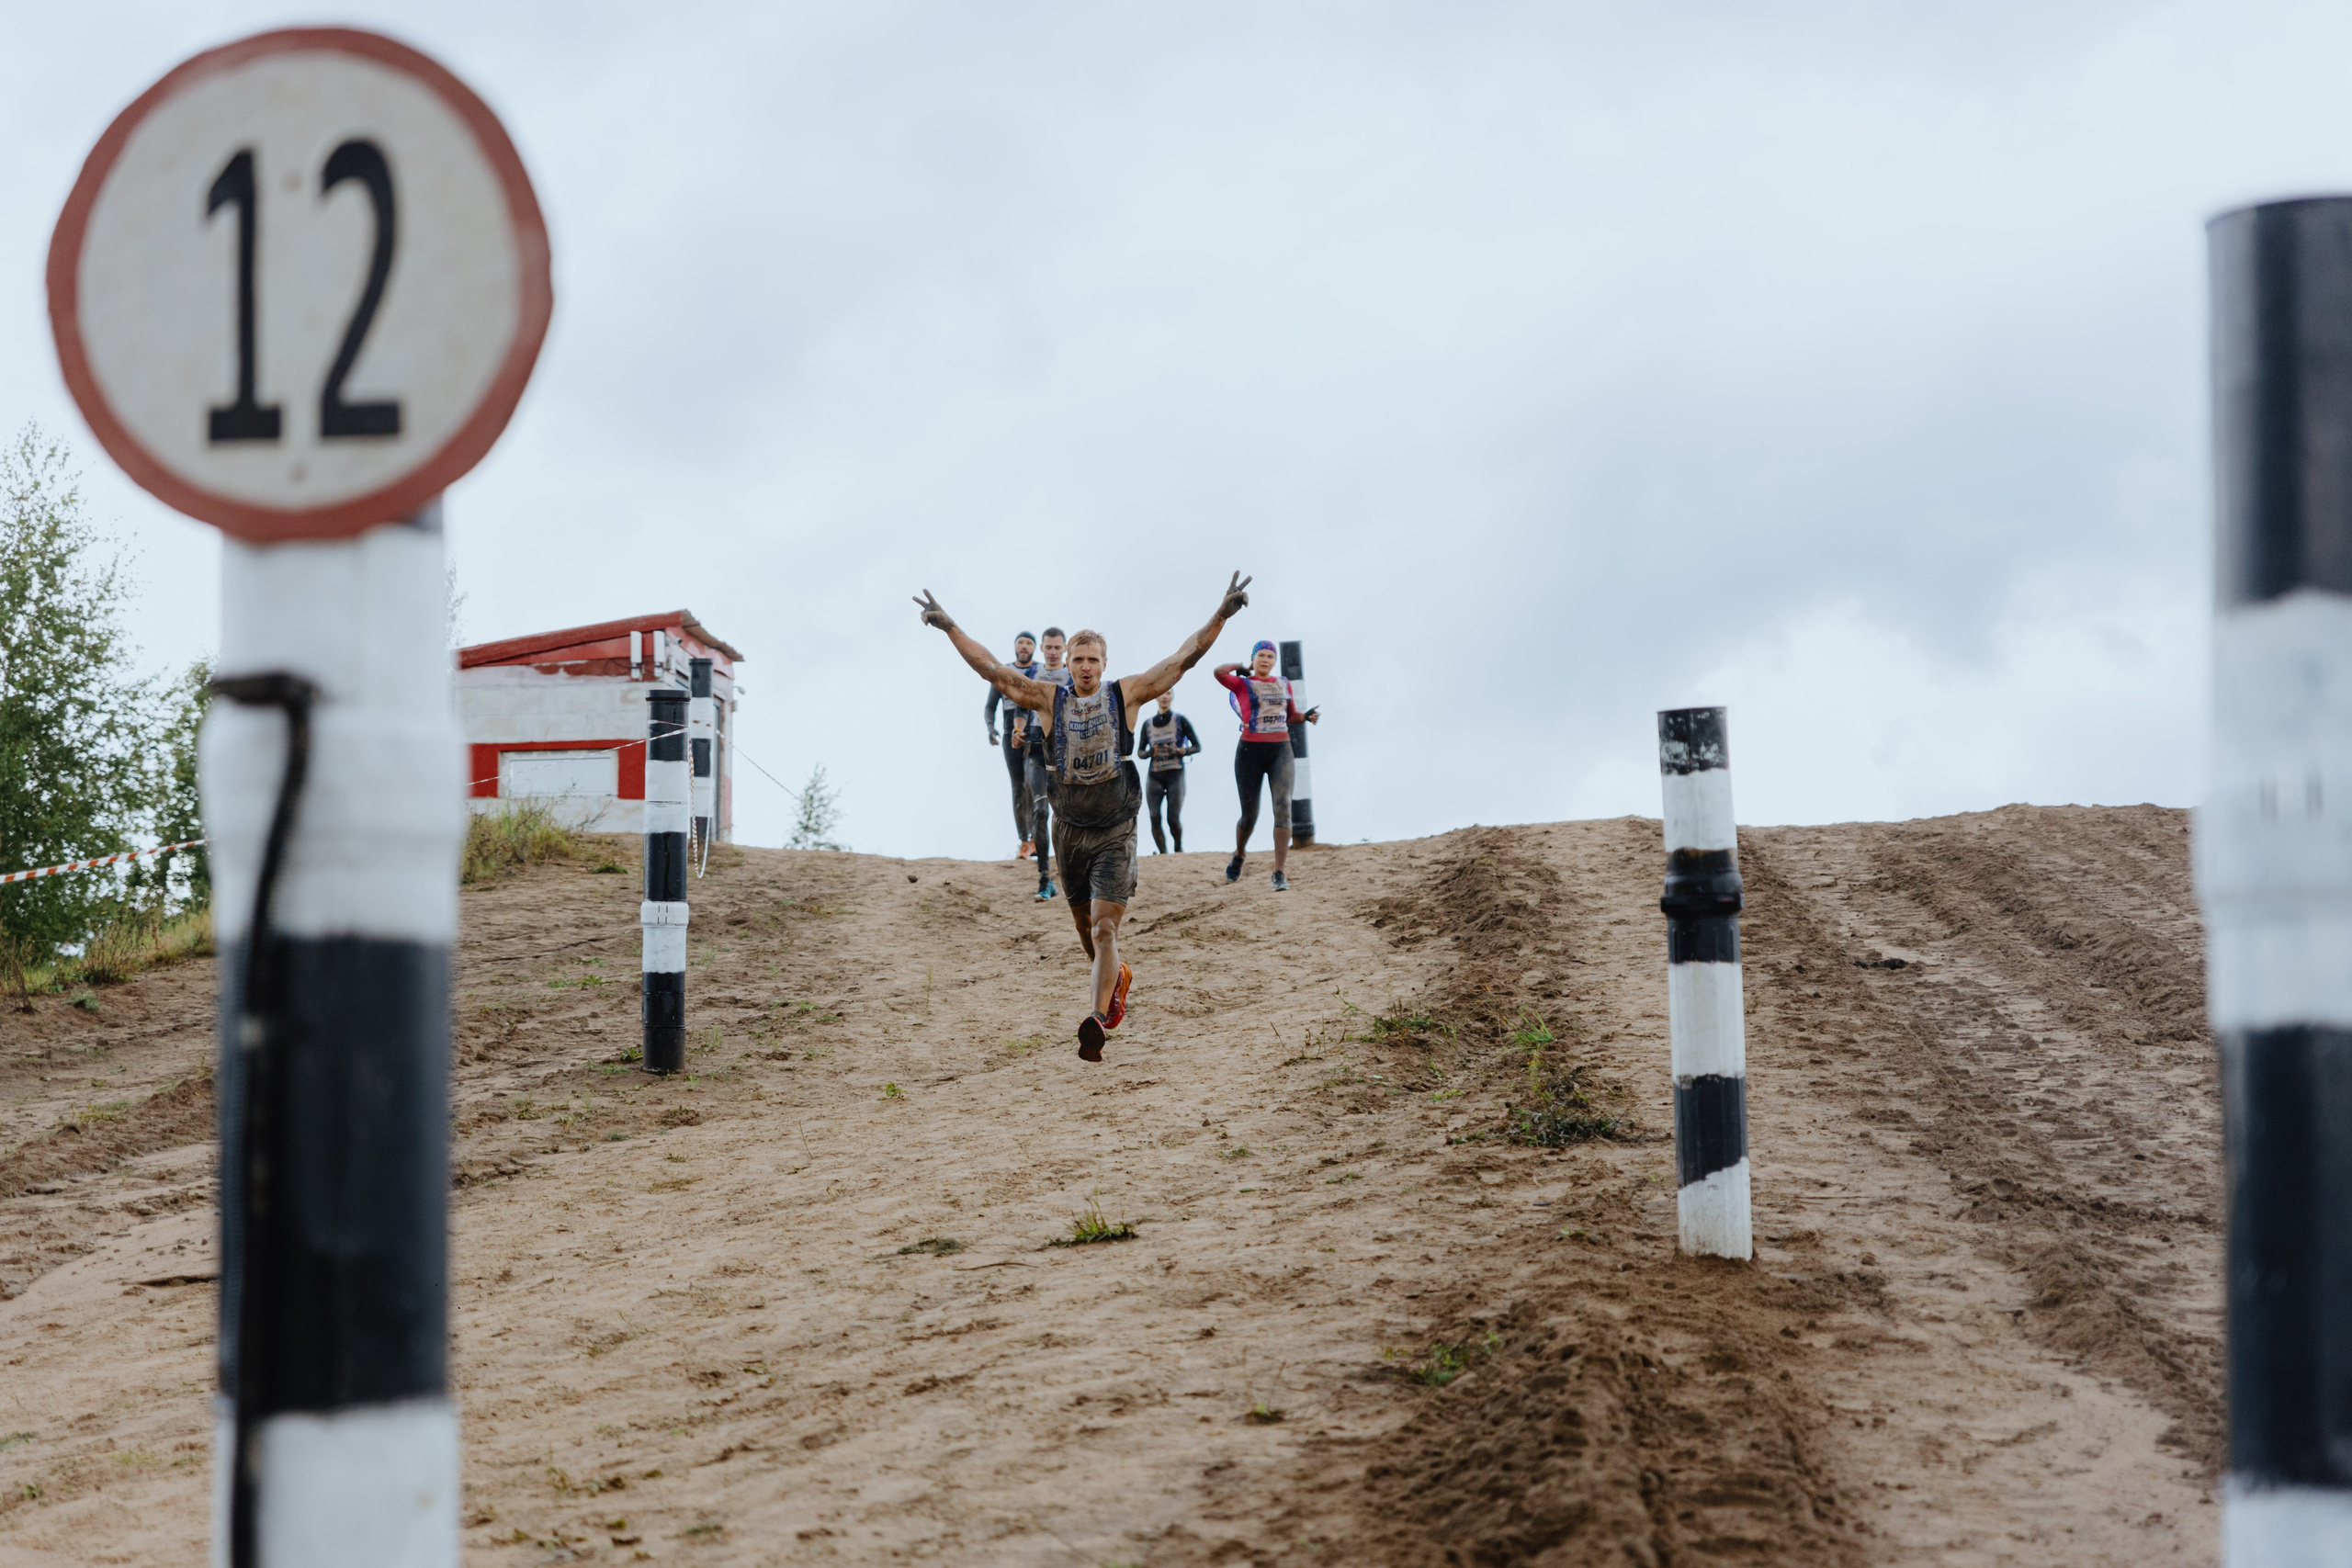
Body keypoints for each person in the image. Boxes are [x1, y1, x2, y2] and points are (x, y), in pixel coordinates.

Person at [914, 574, 1251, 1060]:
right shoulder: (1050, 699)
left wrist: (1220, 615)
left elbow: (1184, 658)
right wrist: (950, 627)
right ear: (1067, 664)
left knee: (1103, 927)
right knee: (1083, 929)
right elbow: (993, 670)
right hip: (1068, 831)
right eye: (1078, 659)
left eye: (1093, 659)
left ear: (1105, 663)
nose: (1086, 667)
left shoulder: (1127, 694)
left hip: (1115, 829)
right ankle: (1117, 978)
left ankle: (1096, 1019)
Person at [1216, 639, 1318, 891]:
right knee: (1249, 815)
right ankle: (1239, 854)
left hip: (1280, 751)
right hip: (1249, 752)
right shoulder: (1242, 683)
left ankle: (1279, 871)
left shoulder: (1284, 683)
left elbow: (1291, 715)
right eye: (1260, 655)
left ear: (1275, 661)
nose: (1265, 660)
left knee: (1283, 807)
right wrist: (1241, 667)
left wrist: (1305, 717)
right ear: (1253, 659)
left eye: (1270, 656)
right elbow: (1219, 673)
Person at [1021, 629, 1072, 900]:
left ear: (1065, 649)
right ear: (1041, 648)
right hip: (1035, 749)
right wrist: (1017, 730)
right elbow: (1021, 702)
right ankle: (1045, 879)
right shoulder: (1033, 673)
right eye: (1049, 647)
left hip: (1063, 751)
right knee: (1040, 811)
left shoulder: (1072, 674)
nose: (1053, 652)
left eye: (1057, 648)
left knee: (1067, 814)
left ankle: (1074, 876)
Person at [983, 632, 1041, 859]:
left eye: (1029, 643)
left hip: (1034, 732)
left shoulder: (1040, 671)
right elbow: (990, 706)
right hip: (1010, 734)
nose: (1024, 646)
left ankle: (1037, 839)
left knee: (1033, 784)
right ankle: (1024, 841)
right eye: (1021, 643)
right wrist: (990, 728)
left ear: (1035, 648)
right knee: (1018, 787)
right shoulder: (1004, 672)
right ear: (1015, 646)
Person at [1133, 692, 1201, 853]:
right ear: (1156, 697)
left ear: (1172, 697)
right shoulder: (1148, 724)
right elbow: (1140, 752)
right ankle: (1163, 854)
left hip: (1175, 774)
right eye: (1162, 693)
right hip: (1155, 775)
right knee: (1154, 816)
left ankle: (1178, 849)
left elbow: (1197, 746)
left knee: (1173, 818)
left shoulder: (1180, 720)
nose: (1164, 697)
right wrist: (1149, 753)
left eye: (1168, 693)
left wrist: (1180, 751)